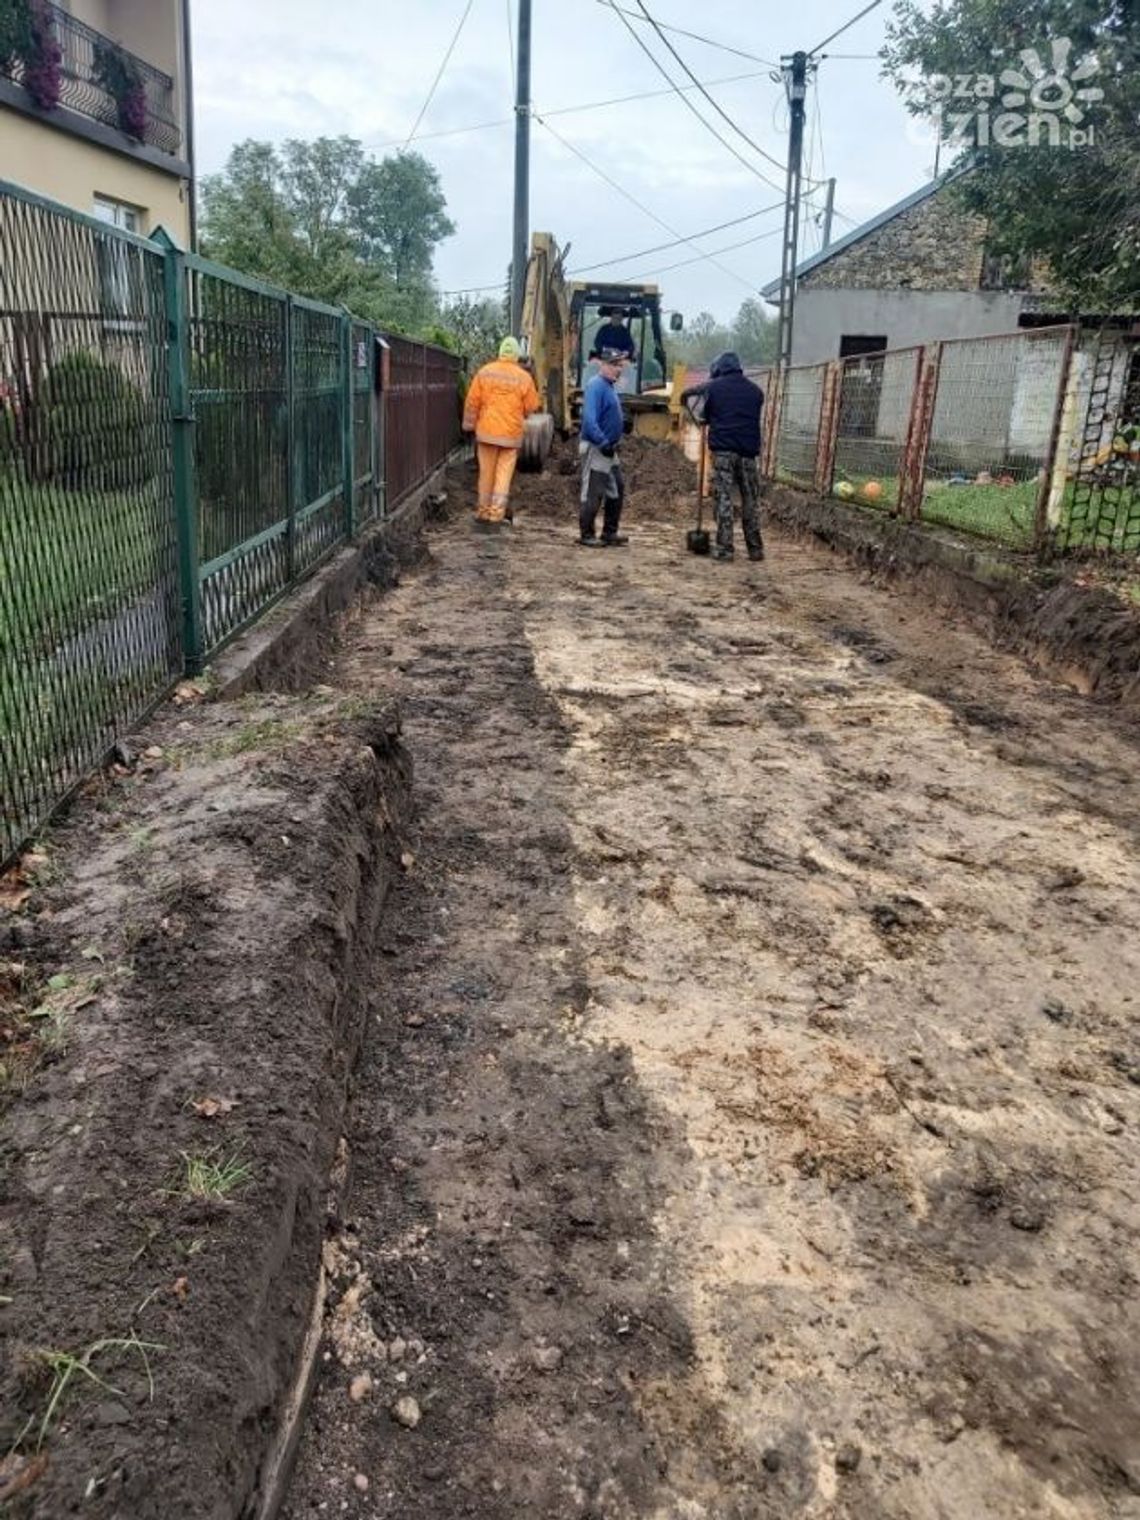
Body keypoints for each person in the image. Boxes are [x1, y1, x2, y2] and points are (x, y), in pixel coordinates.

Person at [680, 352, 765, 562]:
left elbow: (706, 415)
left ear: (719, 369)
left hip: (724, 454)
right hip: (748, 455)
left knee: (724, 499)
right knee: (750, 501)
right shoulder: (756, 392)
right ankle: (755, 549)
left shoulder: (714, 388)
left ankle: (725, 548)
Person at [462, 336, 541, 528]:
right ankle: (496, 516)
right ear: (516, 355)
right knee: (503, 475)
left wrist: (469, 426)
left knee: (486, 473)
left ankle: (482, 512)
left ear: (499, 352)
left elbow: (472, 403)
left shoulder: (485, 372)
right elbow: (532, 407)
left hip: (486, 433)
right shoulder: (524, 377)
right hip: (510, 435)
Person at [579, 348, 628, 547]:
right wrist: (602, 442)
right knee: (593, 490)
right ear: (604, 365)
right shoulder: (596, 386)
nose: (619, 369)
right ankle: (586, 534)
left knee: (617, 487)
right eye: (615, 365)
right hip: (597, 447)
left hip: (609, 449)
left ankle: (609, 532)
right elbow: (589, 421)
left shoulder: (608, 387)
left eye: (620, 365)